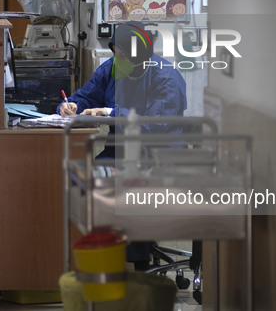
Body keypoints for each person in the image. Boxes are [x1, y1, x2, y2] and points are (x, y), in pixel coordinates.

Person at [57, 21, 187, 270]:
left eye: (125, 56)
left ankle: (136, 267)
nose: (119, 60)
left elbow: (153, 125)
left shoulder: (166, 77)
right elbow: (85, 97)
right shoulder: (111, 69)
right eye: (117, 54)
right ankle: (99, 254)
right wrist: (69, 105)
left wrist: (112, 112)